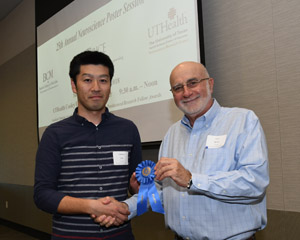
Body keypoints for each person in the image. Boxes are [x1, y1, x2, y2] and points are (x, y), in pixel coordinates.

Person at [106, 61, 269, 240]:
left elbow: (255, 183)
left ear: (210, 84)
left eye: (193, 83)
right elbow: (164, 193)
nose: (186, 92)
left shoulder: (243, 121)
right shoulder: (171, 134)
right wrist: (127, 206)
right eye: (177, 88)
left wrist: (192, 180)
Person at [34, 51, 142, 240]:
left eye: (103, 80)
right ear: (73, 85)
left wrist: (137, 189)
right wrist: (91, 206)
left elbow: (138, 190)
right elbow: (42, 195)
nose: (96, 88)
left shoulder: (128, 129)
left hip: (120, 235)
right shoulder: (54, 134)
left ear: (110, 84)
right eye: (87, 80)